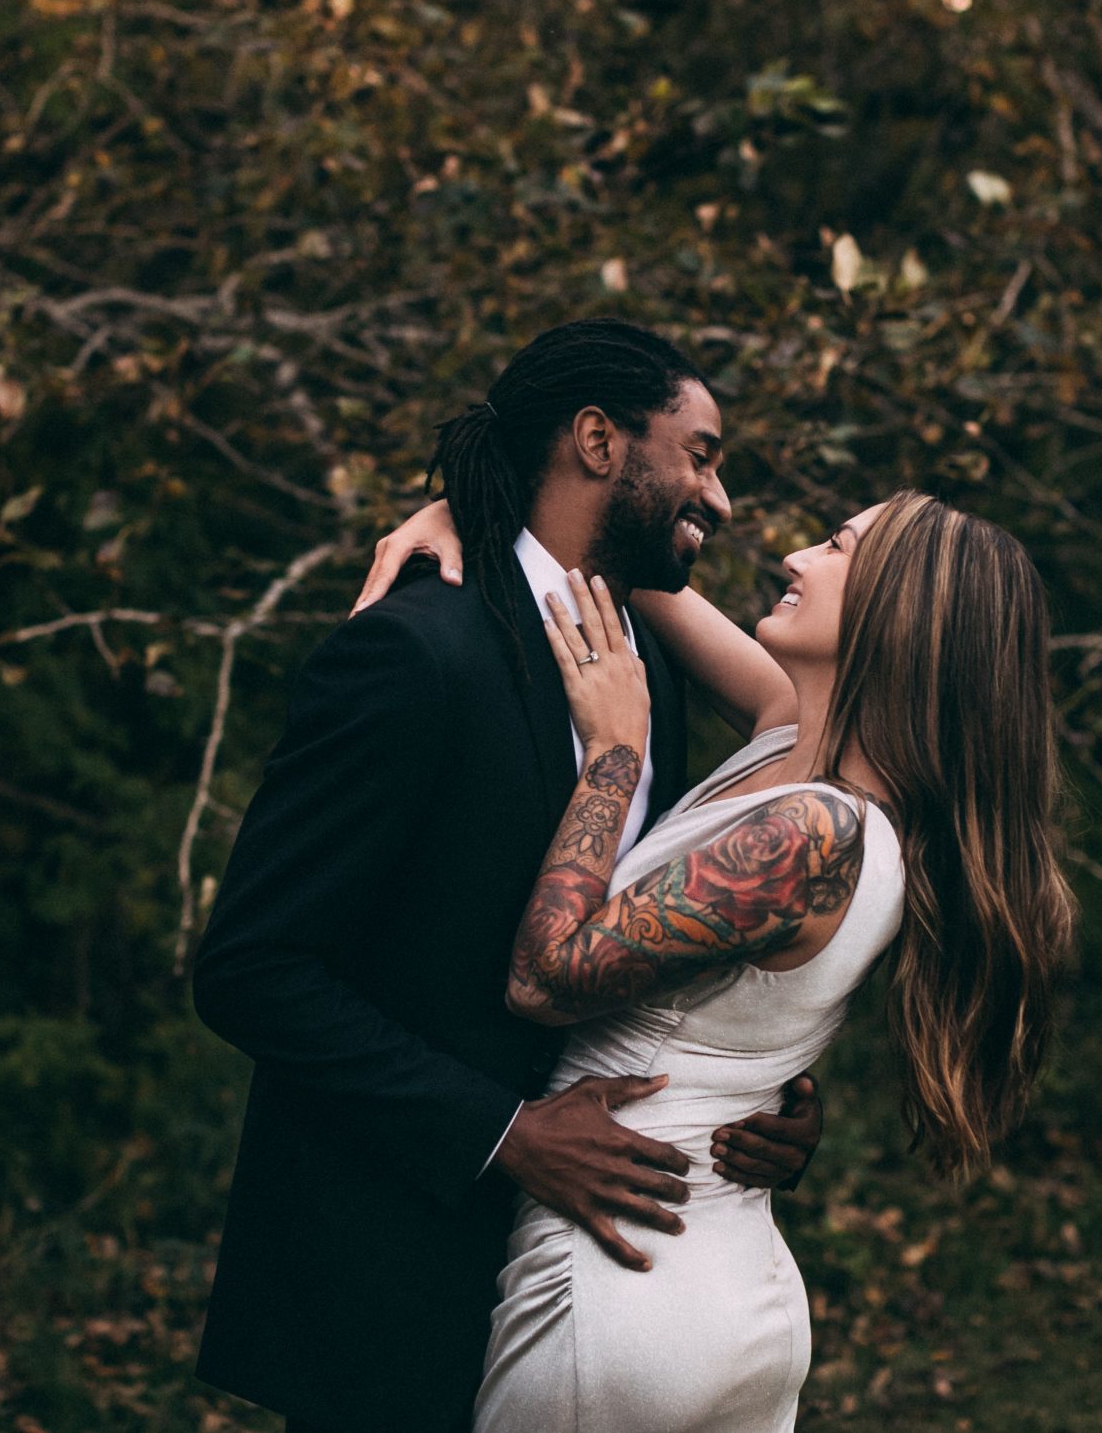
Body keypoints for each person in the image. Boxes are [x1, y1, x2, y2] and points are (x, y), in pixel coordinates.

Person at [190, 319, 826, 1432]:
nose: (721, 504)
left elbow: (648, 933)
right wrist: (505, 1133)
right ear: (595, 439)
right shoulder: (415, 652)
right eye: (702, 453)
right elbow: (251, 968)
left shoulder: (643, 666)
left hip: (595, 1289)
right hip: (397, 1278)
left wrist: (751, 1095)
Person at [350, 484, 1081, 1430]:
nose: (796, 557)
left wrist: (617, 748)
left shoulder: (813, 829)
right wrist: (475, 509)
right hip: (708, 1268)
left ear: (898, 614)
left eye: (836, 547)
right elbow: (622, 565)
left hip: (623, 1286)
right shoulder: (799, 746)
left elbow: (542, 979)